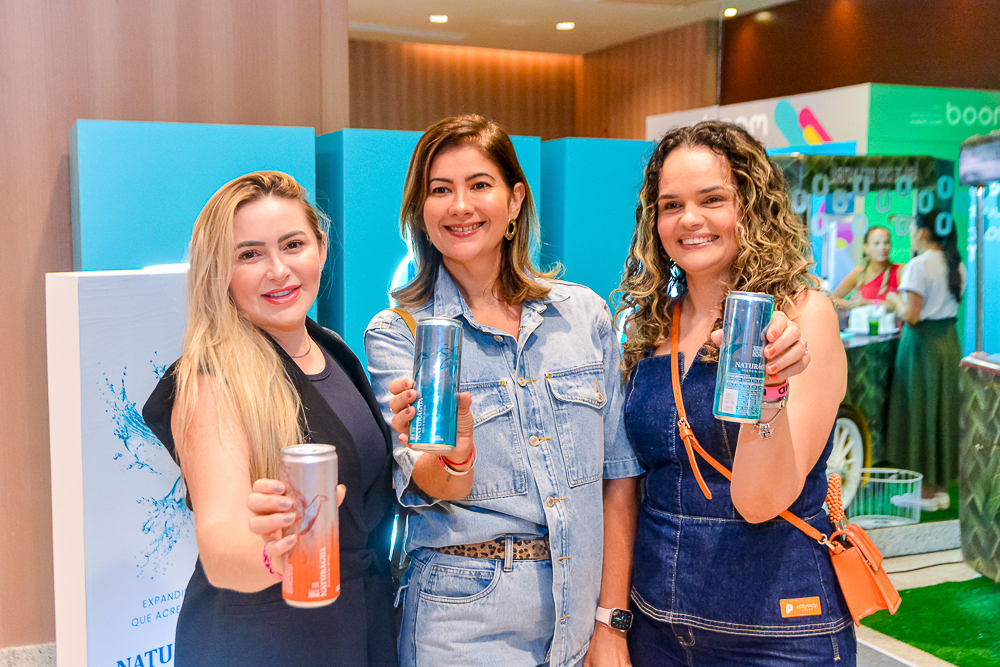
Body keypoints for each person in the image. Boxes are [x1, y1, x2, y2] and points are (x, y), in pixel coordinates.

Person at [363, 114, 643, 667]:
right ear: (421, 211)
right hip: (462, 620)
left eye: (479, 185)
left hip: (579, 612)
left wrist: (611, 620)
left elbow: (619, 478)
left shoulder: (582, 314)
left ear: (515, 200)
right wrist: (454, 452)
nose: (460, 206)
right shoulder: (400, 332)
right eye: (439, 190)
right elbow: (430, 479)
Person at [615, 121, 855, 665]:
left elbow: (761, 501)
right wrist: (614, 619)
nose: (690, 219)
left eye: (712, 199)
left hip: (776, 630)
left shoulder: (800, 316)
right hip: (658, 623)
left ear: (750, 205)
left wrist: (768, 396)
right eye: (671, 204)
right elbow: (627, 487)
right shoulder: (647, 327)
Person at [142, 171, 397, 667]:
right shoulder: (209, 379)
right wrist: (273, 555)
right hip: (262, 637)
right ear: (220, 272)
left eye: (293, 244)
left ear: (320, 249)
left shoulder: (333, 350)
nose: (278, 270)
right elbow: (220, 540)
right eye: (250, 254)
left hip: (356, 622)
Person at [885, 211, 965, 511]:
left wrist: (894, 301)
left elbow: (912, 314)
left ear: (921, 233)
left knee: (918, 412)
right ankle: (941, 487)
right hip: (947, 342)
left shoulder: (918, 266)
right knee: (942, 412)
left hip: (921, 346)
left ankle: (925, 492)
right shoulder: (955, 262)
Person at [831, 225, 902, 310]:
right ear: (866, 248)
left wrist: (867, 303)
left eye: (886, 243)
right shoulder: (860, 273)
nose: (882, 248)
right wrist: (849, 304)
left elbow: (900, 307)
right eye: (877, 243)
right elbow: (833, 298)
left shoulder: (899, 271)